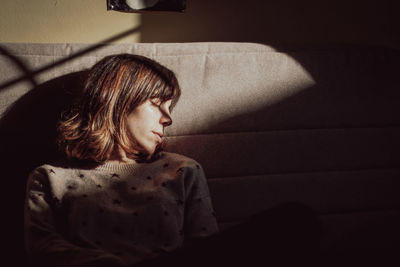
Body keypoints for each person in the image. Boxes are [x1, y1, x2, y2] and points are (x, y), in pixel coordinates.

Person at [24, 54, 321, 267]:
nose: (168, 118)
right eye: (157, 105)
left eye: (170, 107)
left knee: (294, 220)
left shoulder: (182, 170)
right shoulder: (50, 176)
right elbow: (41, 248)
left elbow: (207, 248)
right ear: (116, 103)